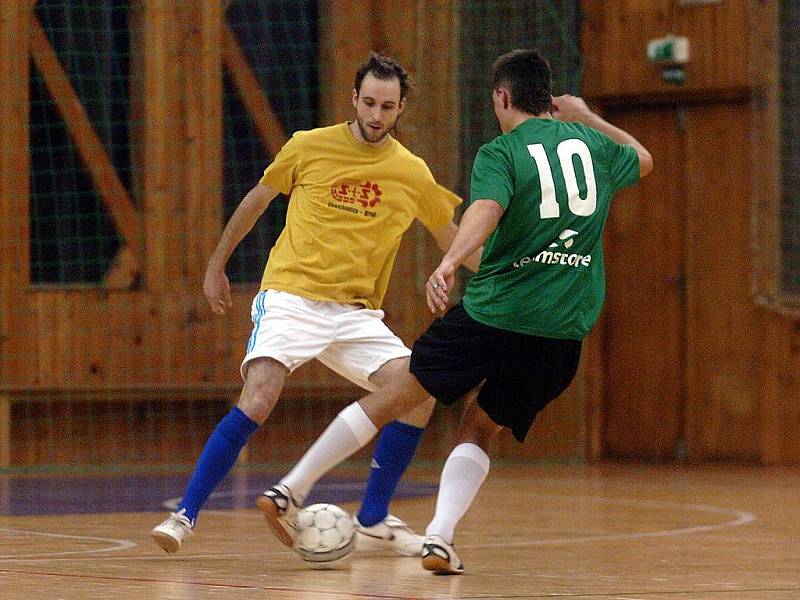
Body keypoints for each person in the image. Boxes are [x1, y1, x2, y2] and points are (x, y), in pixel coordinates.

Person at [257, 48, 653, 574]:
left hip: (495, 311)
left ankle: (291, 488)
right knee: (480, 427)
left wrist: (449, 261)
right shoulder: (593, 147)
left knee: (397, 395)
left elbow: (485, 210)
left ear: (502, 97)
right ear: (548, 98)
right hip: (562, 328)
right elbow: (644, 159)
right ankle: (439, 538)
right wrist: (584, 115)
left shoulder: (501, 151)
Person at [150, 52, 481, 556]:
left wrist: (507, 275)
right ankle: (185, 515)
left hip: (355, 313)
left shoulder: (411, 172)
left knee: (418, 391)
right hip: (291, 297)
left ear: (401, 108)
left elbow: (452, 239)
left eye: (387, 106)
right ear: (353, 98)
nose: (375, 114)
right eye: (368, 102)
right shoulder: (308, 146)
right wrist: (217, 264)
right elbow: (257, 200)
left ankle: (372, 517)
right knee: (259, 397)